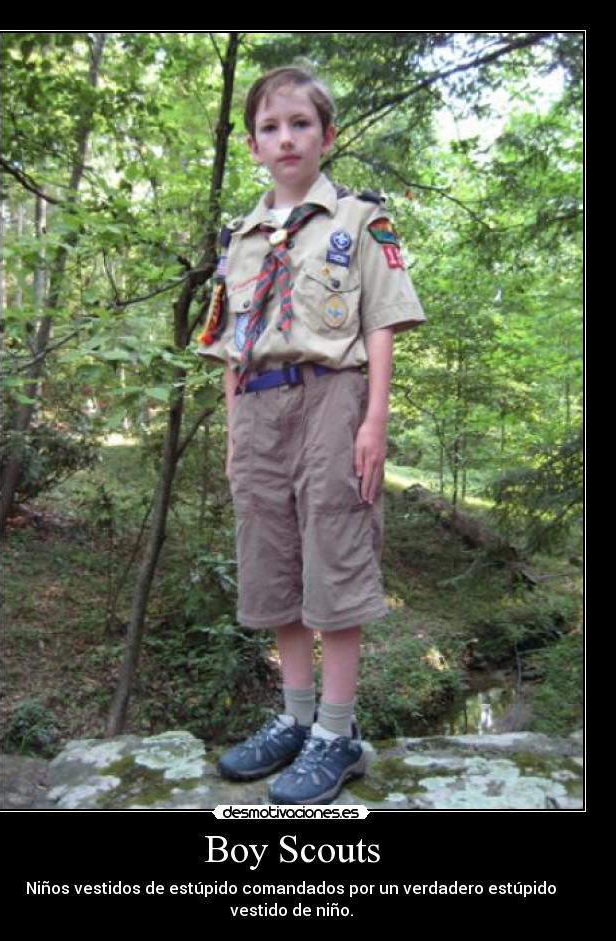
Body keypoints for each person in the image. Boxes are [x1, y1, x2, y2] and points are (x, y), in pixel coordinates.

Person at [197, 65, 426, 804]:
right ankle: (296, 719)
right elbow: (230, 345)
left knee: (335, 550)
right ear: (254, 146)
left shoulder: (359, 219)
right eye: (270, 127)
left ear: (326, 136)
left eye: (300, 124)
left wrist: (374, 419)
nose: (286, 138)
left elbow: (382, 321)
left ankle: (337, 731)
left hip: (333, 400)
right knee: (273, 562)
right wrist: (234, 432)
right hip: (257, 408)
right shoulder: (240, 240)